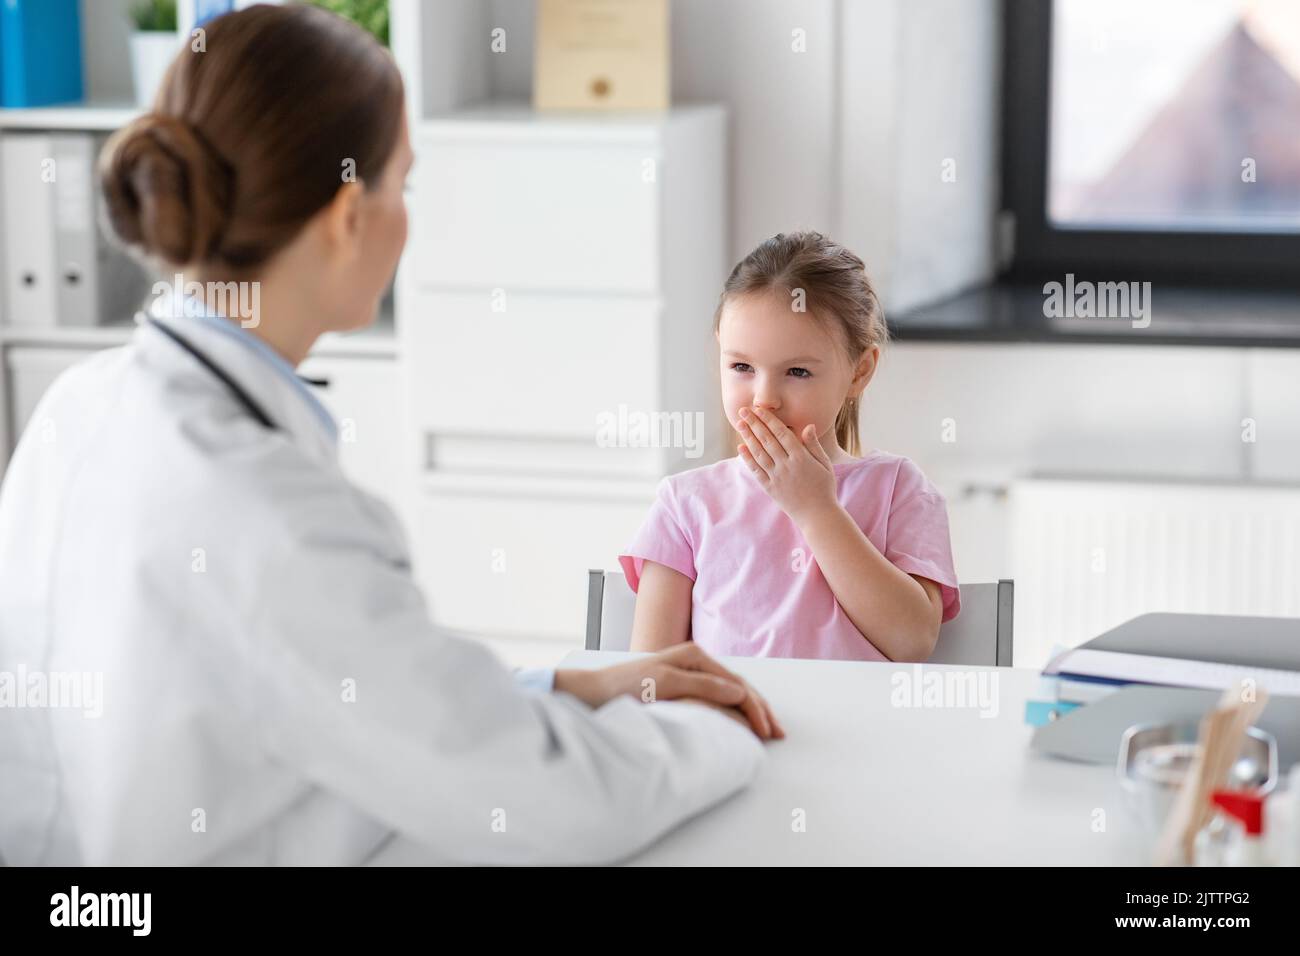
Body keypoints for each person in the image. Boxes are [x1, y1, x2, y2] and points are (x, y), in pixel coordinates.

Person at [0, 3, 781, 867]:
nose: (409, 215)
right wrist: (703, 729)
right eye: (402, 184)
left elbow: (334, 695)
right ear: (345, 217)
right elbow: (555, 803)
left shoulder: (81, 404)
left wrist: (570, 685)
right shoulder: (268, 508)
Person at [620, 231, 961, 662]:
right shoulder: (684, 504)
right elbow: (651, 677)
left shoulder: (900, 490)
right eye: (742, 366)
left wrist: (816, 510)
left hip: (862, 728)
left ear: (859, 372)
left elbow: (911, 642)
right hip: (729, 729)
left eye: (797, 371)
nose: (765, 398)